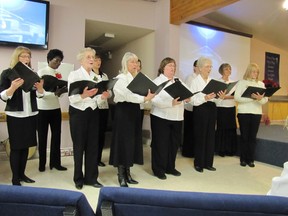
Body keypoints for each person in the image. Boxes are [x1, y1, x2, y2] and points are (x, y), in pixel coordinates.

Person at [0, 46, 45, 186]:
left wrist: (40, 88)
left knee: (26, 147)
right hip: (15, 115)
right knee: (16, 147)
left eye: (28, 56)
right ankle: (15, 178)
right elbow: (2, 96)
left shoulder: (33, 74)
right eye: (23, 56)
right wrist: (12, 88)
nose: (26, 59)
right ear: (16, 57)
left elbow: (40, 95)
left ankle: (22, 174)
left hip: (31, 114)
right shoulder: (7, 73)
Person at [109, 52, 155, 187]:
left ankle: (128, 173)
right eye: (132, 62)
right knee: (123, 142)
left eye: (136, 62)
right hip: (123, 112)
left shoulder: (139, 78)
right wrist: (144, 98)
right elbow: (126, 96)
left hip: (135, 111)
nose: (135, 65)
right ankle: (121, 175)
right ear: (125, 64)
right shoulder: (120, 78)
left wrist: (149, 94)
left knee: (131, 142)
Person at [68, 47, 109, 190]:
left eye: (93, 57)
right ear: (81, 60)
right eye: (88, 57)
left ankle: (92, 178)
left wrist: (103, 97)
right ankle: (78, 178)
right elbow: (72, 99)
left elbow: (98, 99)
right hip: (78, 114)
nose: (92, 60)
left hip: (93, 113)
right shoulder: (74, 75)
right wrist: (84, 95)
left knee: (93, 146)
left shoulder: (97, 77)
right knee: (79, 147)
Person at [150, 57, 190, 180]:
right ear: (163, 68)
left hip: (177, 117)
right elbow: (154, 100)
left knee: (174, 144)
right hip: (161, 117)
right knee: (160, 144)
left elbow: (188, 93)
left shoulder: (178, 81)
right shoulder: (157, 81)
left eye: (174, 66)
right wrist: (170, 103)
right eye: (170, 66)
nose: (173, 68)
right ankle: (158, 169)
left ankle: (170, 167)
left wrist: (188, 98)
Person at [189, 56, 225, 173]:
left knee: (210, 136)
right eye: (207, 66)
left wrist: (221, 97)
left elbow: (216, 101)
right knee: (200, 136)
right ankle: (199, 163)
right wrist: (205, 97)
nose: (209, 69)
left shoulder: (212, 81)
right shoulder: (194, 81)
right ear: (199, 68)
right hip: (200, 109)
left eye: (210, 66)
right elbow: (192, 101)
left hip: (212, 108)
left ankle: (208, 163)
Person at [37, 49, 67, 172]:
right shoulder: (41, 72)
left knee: (56, 136)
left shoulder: (58, 74)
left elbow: (61, 92)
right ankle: (42, 164)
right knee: (42, 136)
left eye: (60, 61)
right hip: (42, 109)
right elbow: (39, 93)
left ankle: (55, 163)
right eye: (56, 60)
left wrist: (61, 92)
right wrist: (55, 94)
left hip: (56, 109)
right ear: (49, 59)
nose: (58, 63)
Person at [234, 63, 268, 168]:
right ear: (249, 71)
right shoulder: (242, 83)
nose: (255, 73)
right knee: (244, 136)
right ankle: (243, 159)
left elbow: (265, 100)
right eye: (253, 71)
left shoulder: (261, 84)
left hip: (256, 113)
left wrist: (259, 99)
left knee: (252, 137)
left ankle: (251, 159)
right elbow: (237, 98)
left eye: (257, 72)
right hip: (244, 113)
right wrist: (252, 98)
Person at [92, 54, 111, 167]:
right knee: (94, 134)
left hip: (104, 107)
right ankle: (92, 158)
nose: (98, 62)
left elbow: (110, 91)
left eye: (99, 59)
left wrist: (107, 94)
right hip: (94, 107)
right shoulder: (89, 75)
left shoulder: (104, 75)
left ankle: (98, 158)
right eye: (95, 60)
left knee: (101, 135)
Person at [215, 63, 237, 157]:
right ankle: (221, 149)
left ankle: (230, 149)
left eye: (230, 69)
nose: (229, 71)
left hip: (231, 107)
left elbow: (235, 96)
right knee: (222, 128)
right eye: (226, 69)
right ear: (222, 71)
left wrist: (226, 97)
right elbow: (215, 95)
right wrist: (222, 97)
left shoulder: (233, 83)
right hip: (221, 108)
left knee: (231, 128)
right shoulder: (217, 82)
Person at [182, 59, 199, 158]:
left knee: (196, 131)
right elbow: (187, 92)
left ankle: (195, 151)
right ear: (194, 67)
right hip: (189, 108)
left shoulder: (202, 78)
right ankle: (187, 151)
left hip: (198, 107)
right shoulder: (190, 77)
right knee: (189, 131)